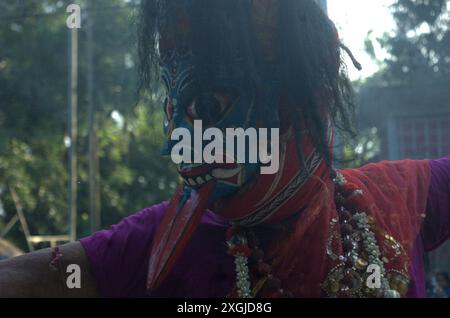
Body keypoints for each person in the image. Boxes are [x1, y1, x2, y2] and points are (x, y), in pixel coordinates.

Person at [0, 0, 449, 298]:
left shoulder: (401, 196)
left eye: (208, 106)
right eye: (172, 107)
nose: (180, 141)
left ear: (311, 95)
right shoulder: (168, 239)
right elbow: (32, 280)